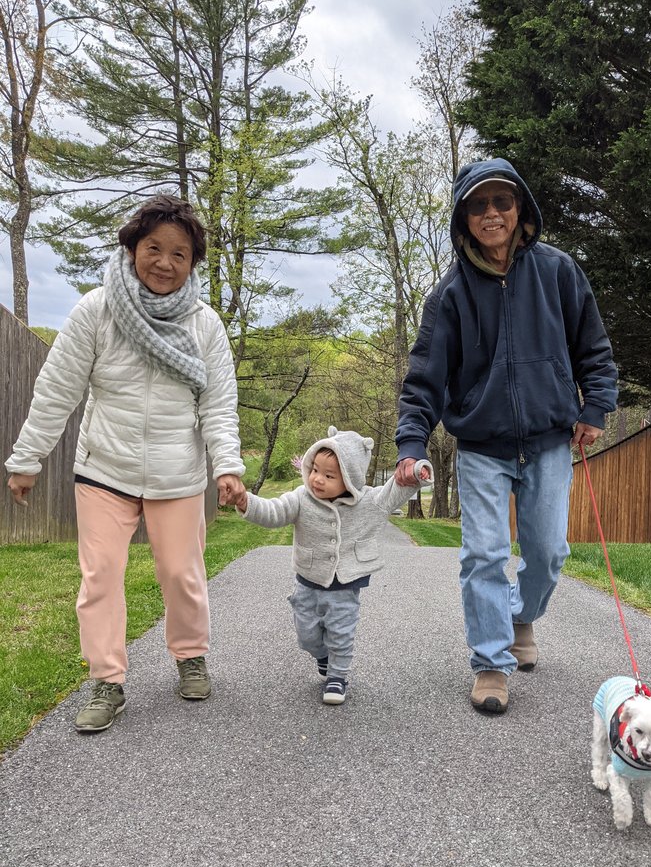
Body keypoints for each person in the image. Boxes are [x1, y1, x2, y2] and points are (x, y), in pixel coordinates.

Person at [5, 195, 246, 732]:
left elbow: (219, 405)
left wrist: (226, 466)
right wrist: (27, 459)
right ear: (132, 248)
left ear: (193, 263)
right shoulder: (97, 310)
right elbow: (56, 391)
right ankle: (106, 680)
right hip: (104, 469)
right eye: (153, 248)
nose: (164, 262)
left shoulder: (204, 325)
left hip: (177, 474)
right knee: (101, 576)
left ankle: (190, 656)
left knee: (182, 574)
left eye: (179, 254)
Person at [395, 158, 618, 714]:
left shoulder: (559, 271)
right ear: (464, 217)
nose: (491, 213)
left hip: (548, 438)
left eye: (502, 202)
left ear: (521, 209)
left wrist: (595, 407)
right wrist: (411, 444)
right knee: (484, 554)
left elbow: (594, 348)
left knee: (547, 552)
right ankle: (492, 664)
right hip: (482, 445)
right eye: (478, 205)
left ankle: (521, 618)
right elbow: (424, 376)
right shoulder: (448, 295)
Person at [236, 426, 432, 705]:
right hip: (307, 580)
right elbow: (274, 511)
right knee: (307, 636)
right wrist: (247, 503)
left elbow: (395, 491)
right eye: (315, 470)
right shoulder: (300, 498)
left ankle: (338, 677)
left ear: (350, 479)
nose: (317, 479)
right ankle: (323, 656)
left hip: (345, 585)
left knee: (341, 633)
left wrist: (415, 473)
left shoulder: (368, 502)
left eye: (329, 476)